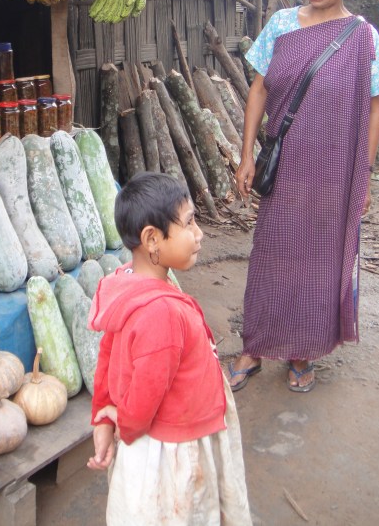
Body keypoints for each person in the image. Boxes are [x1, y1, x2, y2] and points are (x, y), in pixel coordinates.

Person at [229, 0, 379, 394]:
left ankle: (301, 350)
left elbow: (375, 106)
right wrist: (246, 155)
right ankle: (254, 345)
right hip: (286, 165)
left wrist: (364, 176)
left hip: (334, 170)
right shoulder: (281, 24)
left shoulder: (362, 37)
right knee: (271, 253)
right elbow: (259, 89)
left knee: (318, 259)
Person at [87, 172, 252, 525]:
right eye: (189, 223)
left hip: (164, 443)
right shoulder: (160, 314)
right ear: (152, 239)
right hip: (172, 452)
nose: (199, 234)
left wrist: (103, 411)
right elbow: (143, 399)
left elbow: (107, 357)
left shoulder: (126, 287)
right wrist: (121, 422)